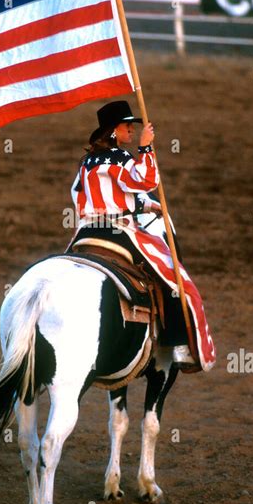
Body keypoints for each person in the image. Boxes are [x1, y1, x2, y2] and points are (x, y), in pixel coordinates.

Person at [65, 100, 216, 373]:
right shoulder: (120, 158)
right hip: (119, 231)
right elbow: (146, 182)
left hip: (86, 231)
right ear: (113, 131)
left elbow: (88, 197)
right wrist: (145, 147)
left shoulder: (86, 162)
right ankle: (179, 346)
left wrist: (144, 205)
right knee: (172, 274)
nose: (132, 131)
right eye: (127, 127)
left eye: (134, 128)